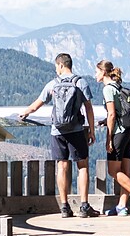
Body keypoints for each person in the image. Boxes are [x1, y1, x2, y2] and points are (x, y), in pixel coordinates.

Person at [18, 53, 99, 217]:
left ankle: (64, 207)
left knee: (62, 167)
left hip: (57, 131)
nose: (56, 69)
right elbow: (89, 108)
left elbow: (36, 104)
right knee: (82, 166)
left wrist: (24, 113)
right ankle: (84, 206)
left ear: (61, 65)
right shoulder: (80, 82)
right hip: (76, 130)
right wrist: (91, 130)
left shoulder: (52, 84)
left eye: (56, 66)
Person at [95, 61, 130, 217]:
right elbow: (117, 113)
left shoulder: (108, 89)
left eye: (97, 72)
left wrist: (108, 138)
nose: (95, 75)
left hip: (118, 134)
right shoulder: (119, 87)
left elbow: (112, 114)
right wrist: (105, 120)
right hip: (128, 133)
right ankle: (122, 206)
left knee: (113, 172)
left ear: (103, 72)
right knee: (125, 171)